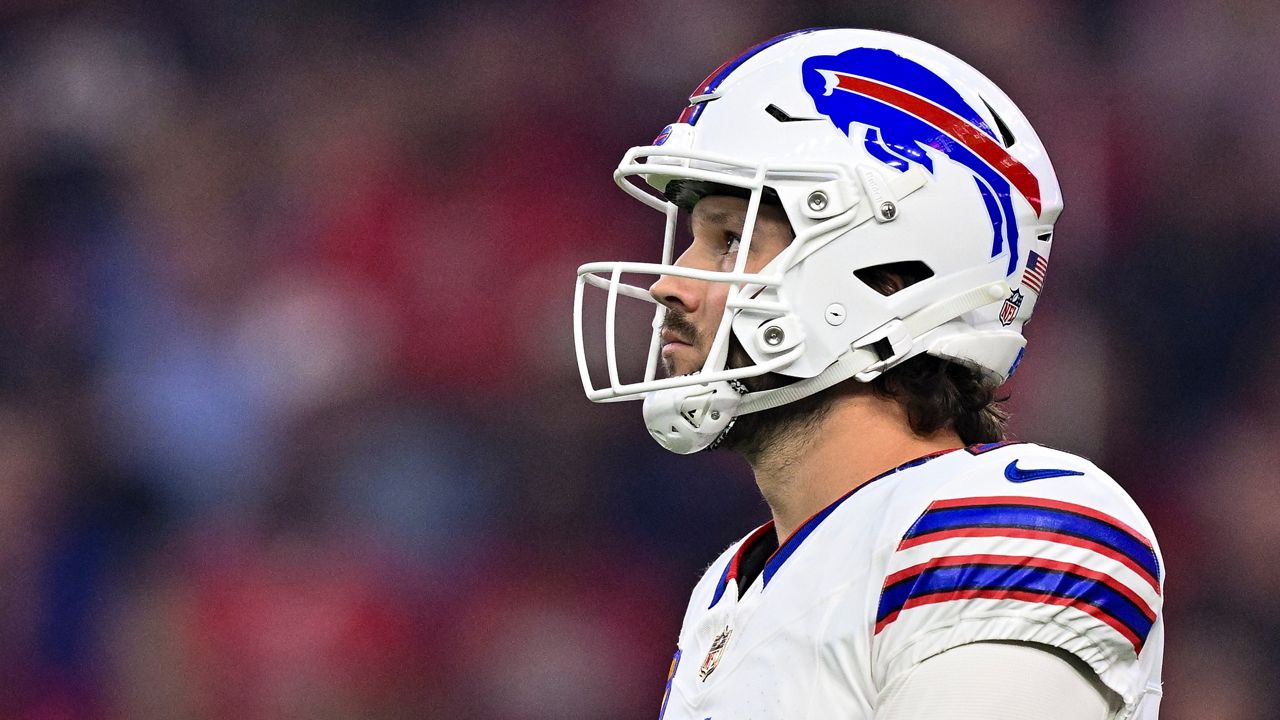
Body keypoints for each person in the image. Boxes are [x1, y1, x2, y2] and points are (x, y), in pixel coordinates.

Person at [572, 28, 1163, 720]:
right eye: (695, 238)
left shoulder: (1010, 525)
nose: (670, 283)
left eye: (731, 240)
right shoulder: (729, 590)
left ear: (889, 275)